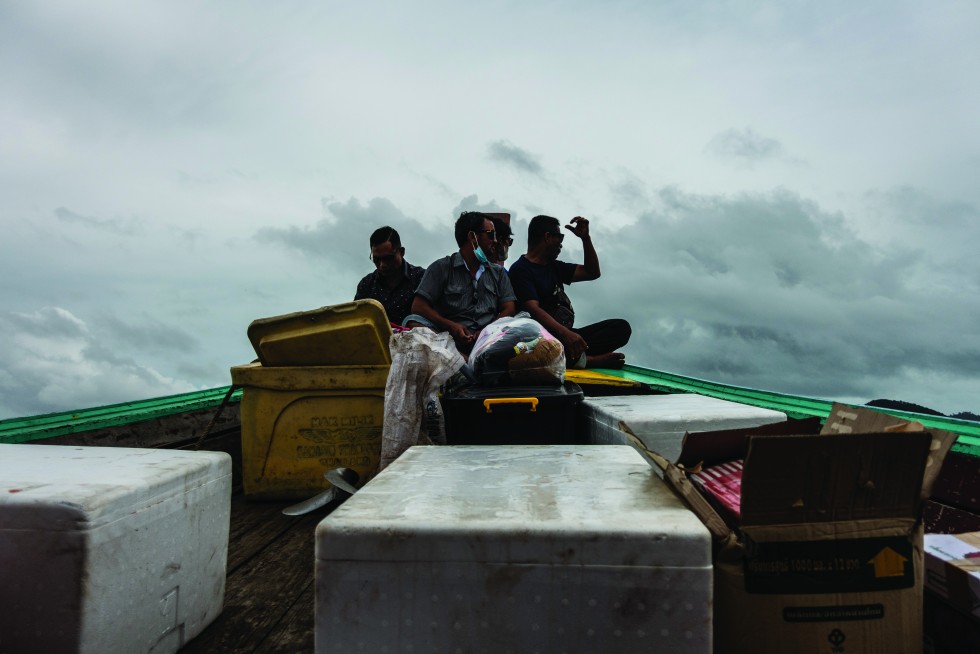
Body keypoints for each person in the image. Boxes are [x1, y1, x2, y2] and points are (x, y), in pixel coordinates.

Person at [508, 214, 631, 369]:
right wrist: (565, 334)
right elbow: (533, 309)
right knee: (531, 350)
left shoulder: (554, 266)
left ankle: (575, 357)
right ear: (547, 237)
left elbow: (592, 272)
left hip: (564, 337)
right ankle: (589, 360)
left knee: (621, 328)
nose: (561, 244)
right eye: (560, 238)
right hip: (539, 338)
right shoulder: (520, 269)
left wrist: (585, 239)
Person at [404, 212, 517, 354]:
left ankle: (460, 363)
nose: (495, 241)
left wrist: (485, 331)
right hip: (448, 339)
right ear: (472, 237)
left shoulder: (498, 273)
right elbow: (418, 306)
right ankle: (457, 358)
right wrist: (451, 326)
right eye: (490, 234)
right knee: (413, 321)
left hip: (488, 339)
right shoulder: (441, 267)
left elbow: (509, 308)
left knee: (523, 321)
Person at [354, 226, 426, 326]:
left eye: (388, 258)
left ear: (401, 252)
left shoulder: (422, 278)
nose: (382, 264)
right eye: (376, 259)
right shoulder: (366, 284)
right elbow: (357, 320)